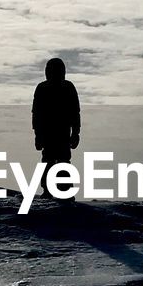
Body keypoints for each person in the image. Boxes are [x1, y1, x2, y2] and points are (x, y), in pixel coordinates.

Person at [32, 57, 81, 196]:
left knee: (63, 161)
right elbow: (36, 114)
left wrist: (75, 133)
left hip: (63, 133)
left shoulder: (68, 87)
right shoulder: (42, 88)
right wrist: (37, 135)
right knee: (48, 160)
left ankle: (64, 190)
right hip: (48, 134)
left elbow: (75, 112)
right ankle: (48, 190)